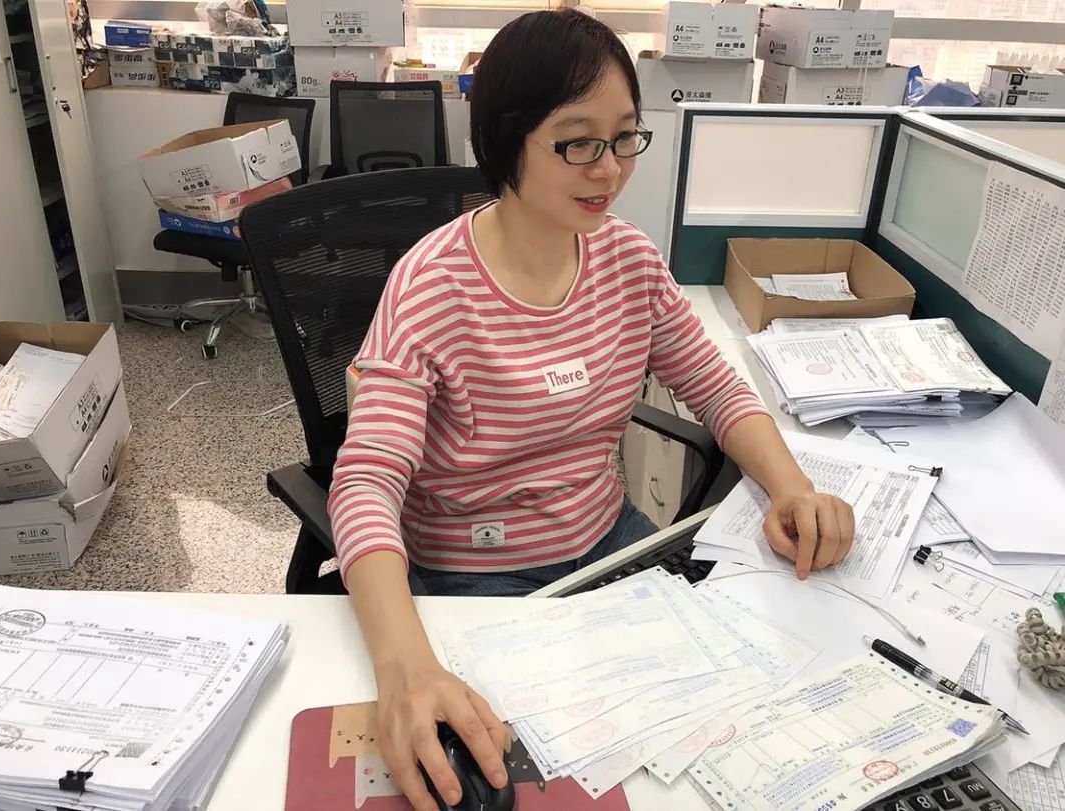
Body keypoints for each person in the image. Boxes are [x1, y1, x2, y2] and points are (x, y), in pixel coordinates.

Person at [328, 10, 856, 811]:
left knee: (732, 726)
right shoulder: (430, 288)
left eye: (625, 137)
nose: (609, 170)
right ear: (504, 142)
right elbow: (366, 481)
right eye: (577, 143)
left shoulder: (627, 258)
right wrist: (405, 668)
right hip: (477, 578)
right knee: (527, 780)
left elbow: (715, 387)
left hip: (609, 548)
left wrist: (791, 486)